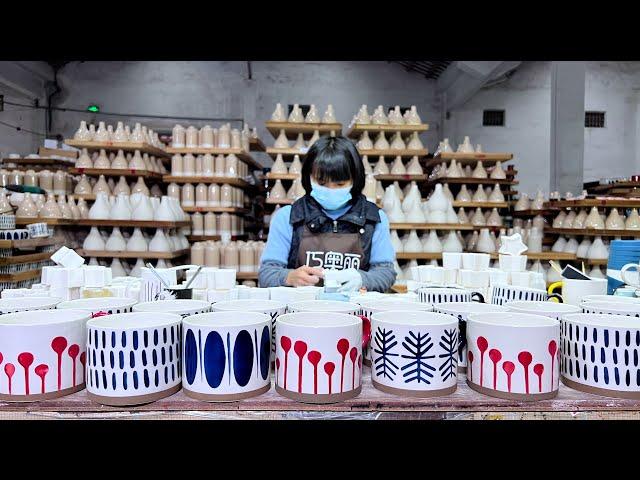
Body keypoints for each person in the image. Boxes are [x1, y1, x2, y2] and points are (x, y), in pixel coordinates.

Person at [258, 135, 396, 292]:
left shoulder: (374, 219)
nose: (331, 190)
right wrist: (289, 277)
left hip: (354, 310)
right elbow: (267, 273)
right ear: (308, 177)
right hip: (302, 311)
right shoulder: (288, 217)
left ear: (355, 180)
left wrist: (362, 279)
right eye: (322, 183)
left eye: (340, 184)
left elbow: (386, 272)